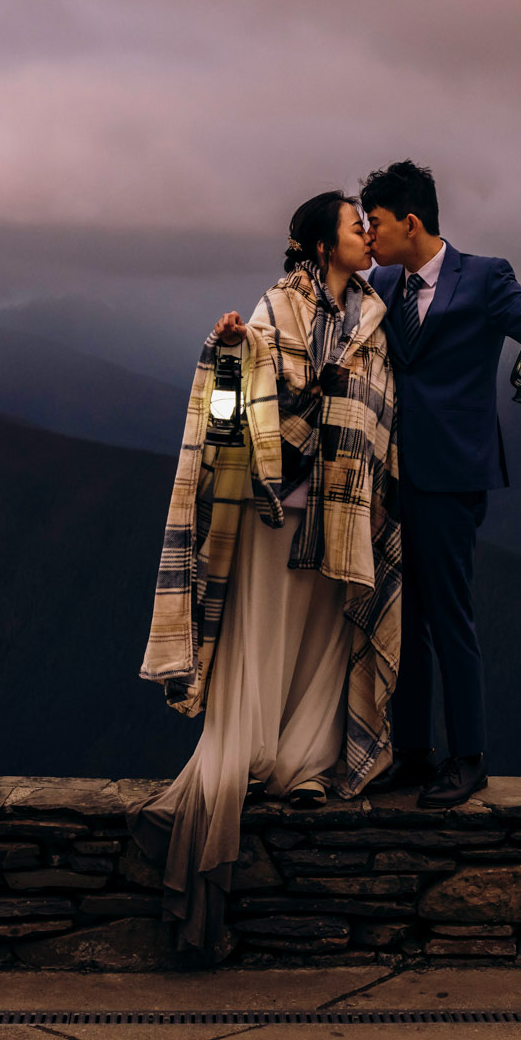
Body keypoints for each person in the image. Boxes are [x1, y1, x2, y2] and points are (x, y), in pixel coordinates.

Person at [129, 192, 403, 953]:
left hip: (344, 510)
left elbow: (383, 413)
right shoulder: (271, 312)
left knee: (324, 637)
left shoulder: (376, 320)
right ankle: (249, 756)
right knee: (267, 635)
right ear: (320, 245)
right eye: (355, 225)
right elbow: (229, 418)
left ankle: (304, 761)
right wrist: (226, 356)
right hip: (278, 510)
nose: (366, 234)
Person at [360, 160, 521, 807]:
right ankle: (411, 753)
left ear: (411, 222)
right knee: (400, 620)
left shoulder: (485, 276)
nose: (368, 235)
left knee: (447, 617)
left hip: (451, 478)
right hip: (388, 480)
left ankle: (467, 758)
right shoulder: (379, 283)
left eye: (375, 223)